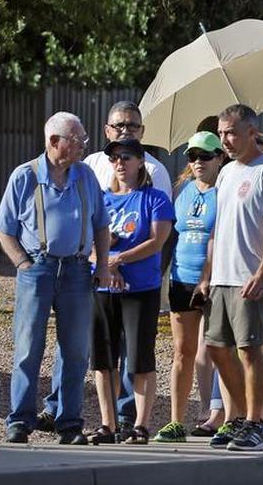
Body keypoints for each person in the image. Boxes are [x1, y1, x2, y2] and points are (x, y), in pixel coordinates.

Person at [0, 112, 111, 444]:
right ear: (54, 142)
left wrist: (102, 265)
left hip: (76, 269)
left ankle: (69, 423)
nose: (83, 146)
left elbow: (101, 224)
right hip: (38, 268)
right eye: (78, 140)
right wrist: (21, 262)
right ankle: (19, 420)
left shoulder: (86, 175)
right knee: (28, 348)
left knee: (75, 351)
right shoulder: (25, 177)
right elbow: (4, 228)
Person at [195, 104, 263, 452]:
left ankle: (256, 423)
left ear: (253, 131)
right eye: (221, 133)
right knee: (217, 350)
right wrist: (207, 275)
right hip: (222, 276)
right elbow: (218, 228)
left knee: (250, 350)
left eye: (231, 132)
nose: (225, 140)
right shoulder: (225, 173)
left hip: (253, 278)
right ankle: (238, 417)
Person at [87, 138, 174, 444]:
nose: (119, 163)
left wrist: (118, 260)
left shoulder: (155, 199)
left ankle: (140, 424)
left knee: (139, 359)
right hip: (104, 288)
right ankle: (107, 424)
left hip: (141, 287)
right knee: (103, 358)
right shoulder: (100, 199)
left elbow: (156, 242)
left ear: (140, 162)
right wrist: (106, 263)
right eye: (114, 159)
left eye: (126, 157)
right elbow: (86, 242)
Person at [155, 132, 225, 442]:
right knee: (183, 352)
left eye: (206, 155)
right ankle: (176, 421)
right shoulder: (181, 190)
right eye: (192, 156)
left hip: (215, 280)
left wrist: (208, 276)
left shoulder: (225, 191)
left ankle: (217, 413)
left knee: (217, 349)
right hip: (181, 278)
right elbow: (170, 236)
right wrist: (159, 273)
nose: (198, 161)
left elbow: (222, 239)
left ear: (220, 157)